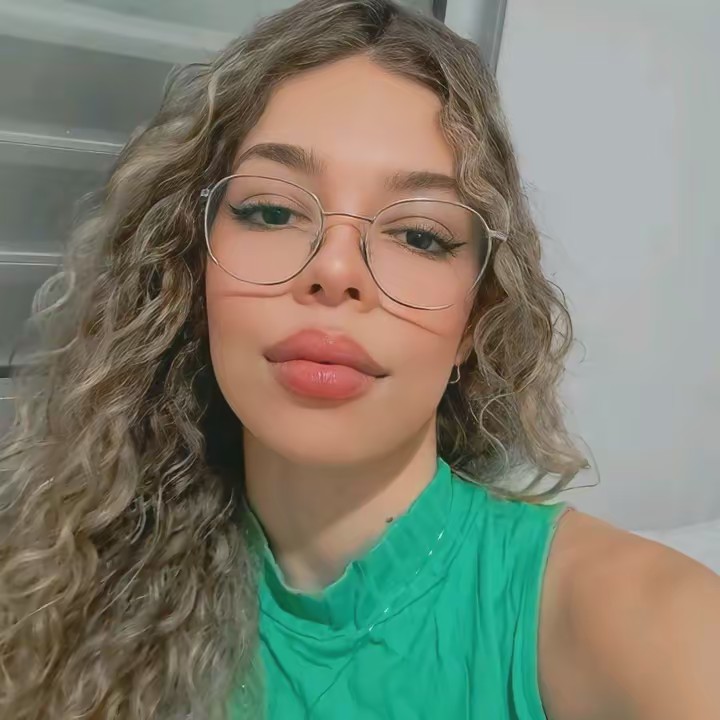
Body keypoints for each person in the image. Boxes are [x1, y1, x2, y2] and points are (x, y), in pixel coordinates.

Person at [1, 0, 718, 718]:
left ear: (477, 319)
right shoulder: (55, 577)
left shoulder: (642, 619)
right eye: (272, 212)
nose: (336, 270)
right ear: (192, 269)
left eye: (419, 234)